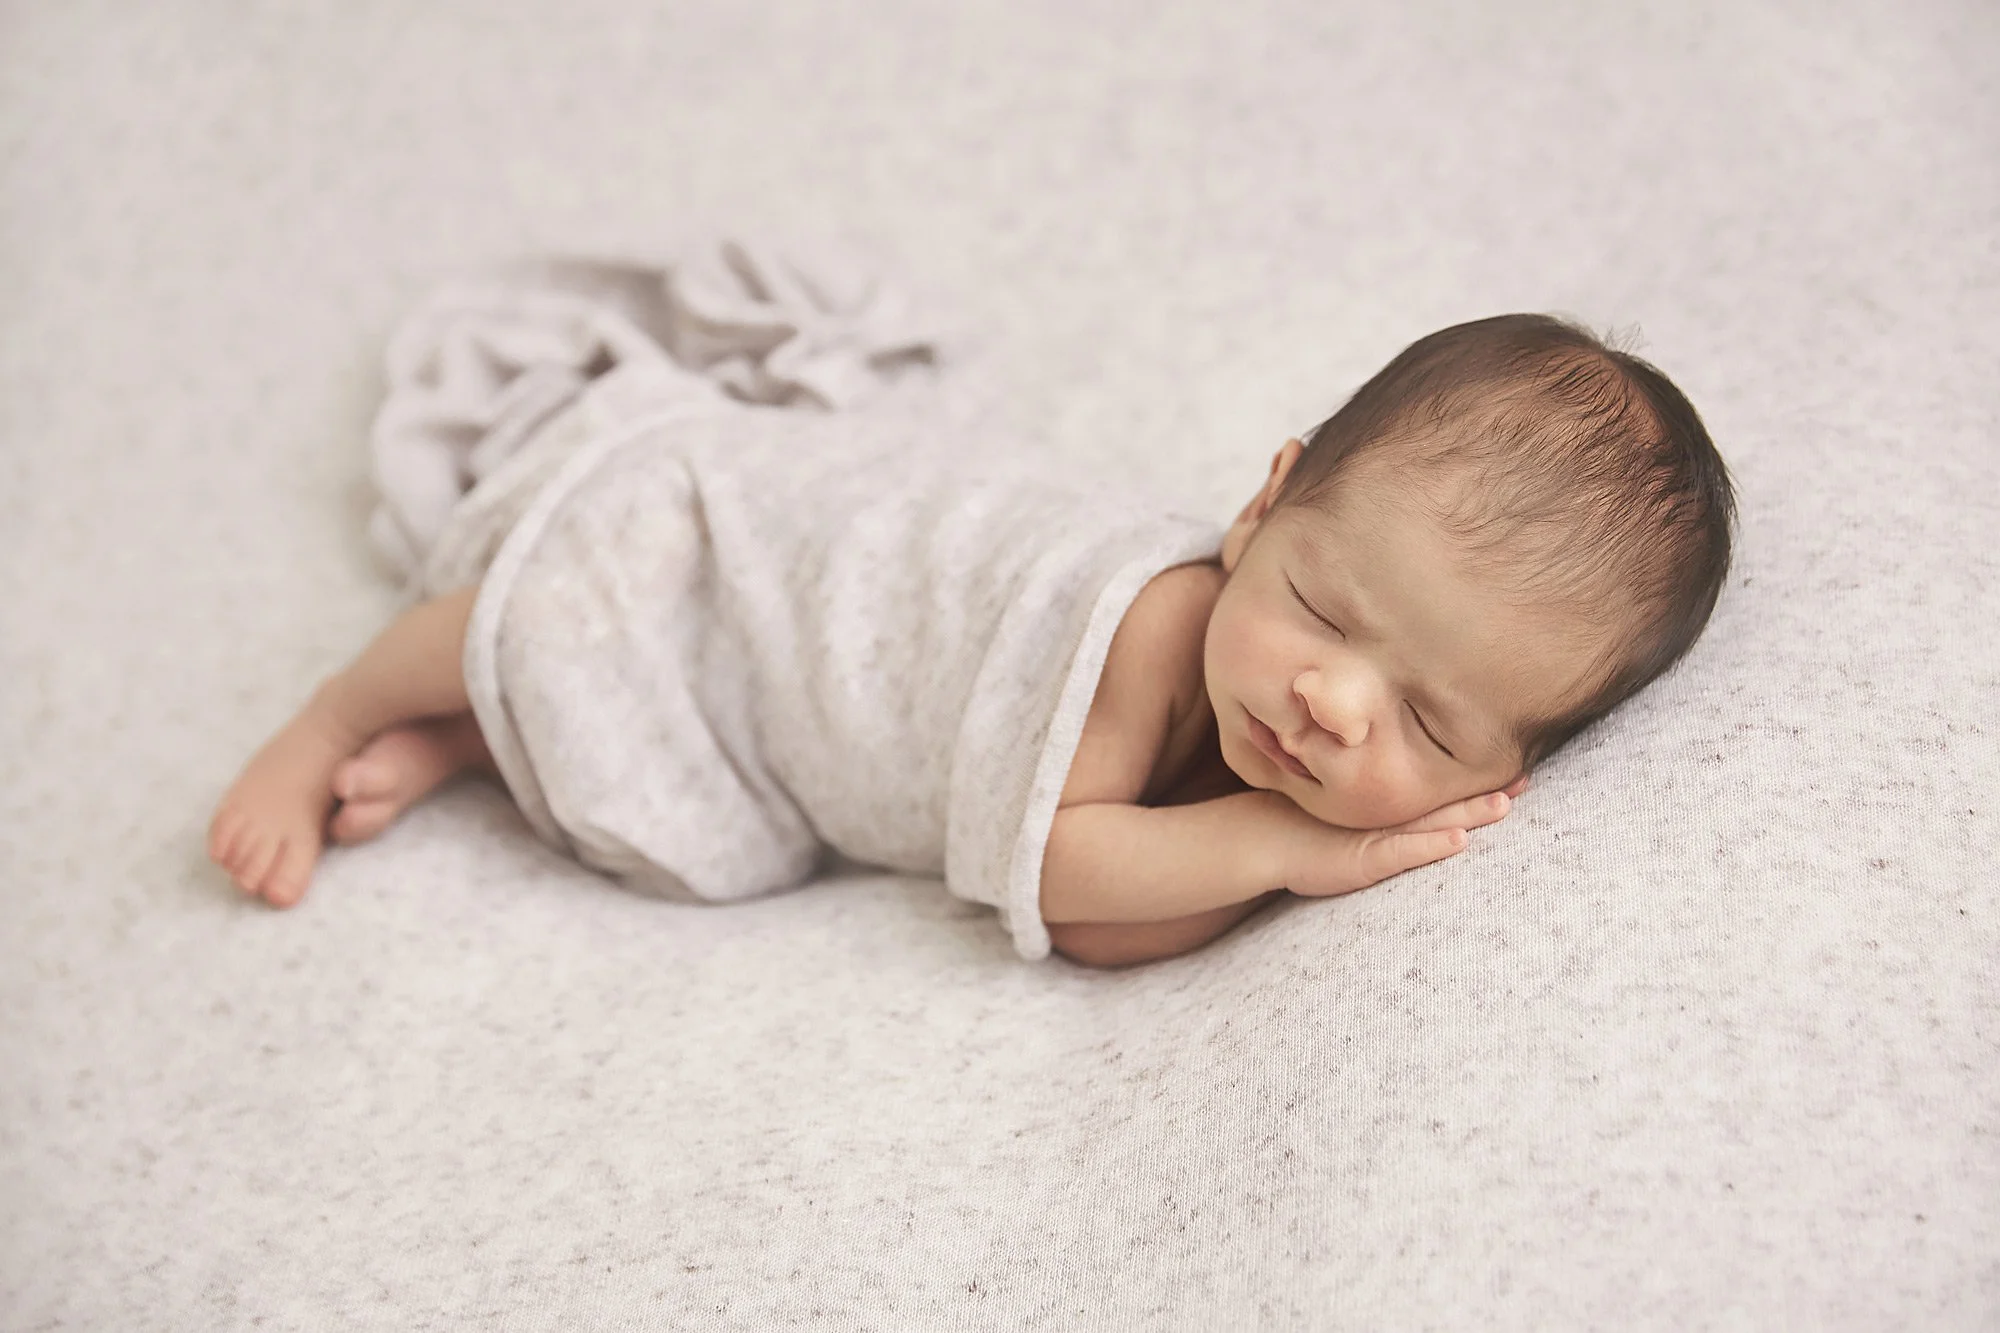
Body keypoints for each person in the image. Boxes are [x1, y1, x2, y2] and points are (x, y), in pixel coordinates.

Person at [208, 313, 1734, 968]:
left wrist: (1252, 840)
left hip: (782, 711)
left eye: (1437, 729)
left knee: (641, 743)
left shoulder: (1271, 716)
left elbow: (1130, 924)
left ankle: (474, 739)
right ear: (1264, 506)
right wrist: (1286, 853)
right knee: (557, 619)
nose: (1334, 704)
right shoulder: (1158, 633)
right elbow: (1065, 885)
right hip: (745, 563)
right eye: (1327, 612)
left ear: (1515, 766)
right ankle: (344, 717)